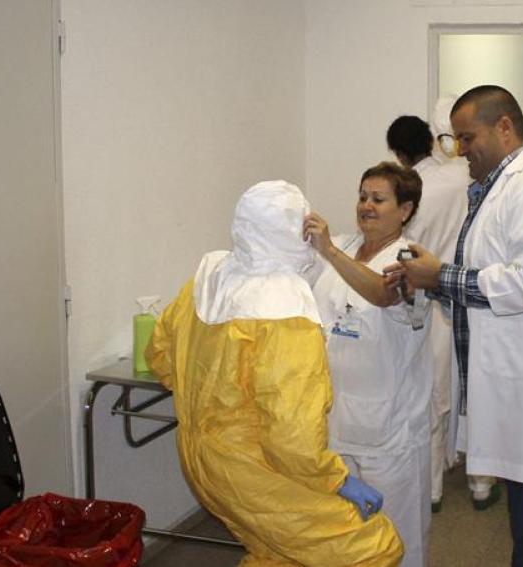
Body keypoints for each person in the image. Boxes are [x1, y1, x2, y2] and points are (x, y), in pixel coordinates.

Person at [390, 85, 523, 567]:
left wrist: (441, 276)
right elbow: (489, 273)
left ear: (504, 128)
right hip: (517, 387)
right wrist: (434, 279)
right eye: (455, 141)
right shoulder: (495, 191)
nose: (460, 151)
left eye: (467, 138)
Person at [146, 180, 404, 567]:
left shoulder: (208, 277)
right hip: (255, 470)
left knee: (275, 552)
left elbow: (160, 356)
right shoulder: (284, 309)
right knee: (373, 548)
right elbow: (291, 434)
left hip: (200, 458)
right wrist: (336, 479)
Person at [303, 162, 432, 567]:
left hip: (391, 431)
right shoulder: (339, 247)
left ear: (405, 210)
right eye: (362, 196)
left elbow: (382, 293)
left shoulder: (411, 259)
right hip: (337, 422)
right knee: (345, 538)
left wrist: (330, 251)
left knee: (397, 537)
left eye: (378, 199)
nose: (366, 206)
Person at [386, 108, 500, 513]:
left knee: (433, 396)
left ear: (400, 153)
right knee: (477, 390)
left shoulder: (414, 190)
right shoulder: (470, 177)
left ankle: (432, 487)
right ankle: (482, 482)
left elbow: (402, 251)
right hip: (477, 297)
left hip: (433, 303)